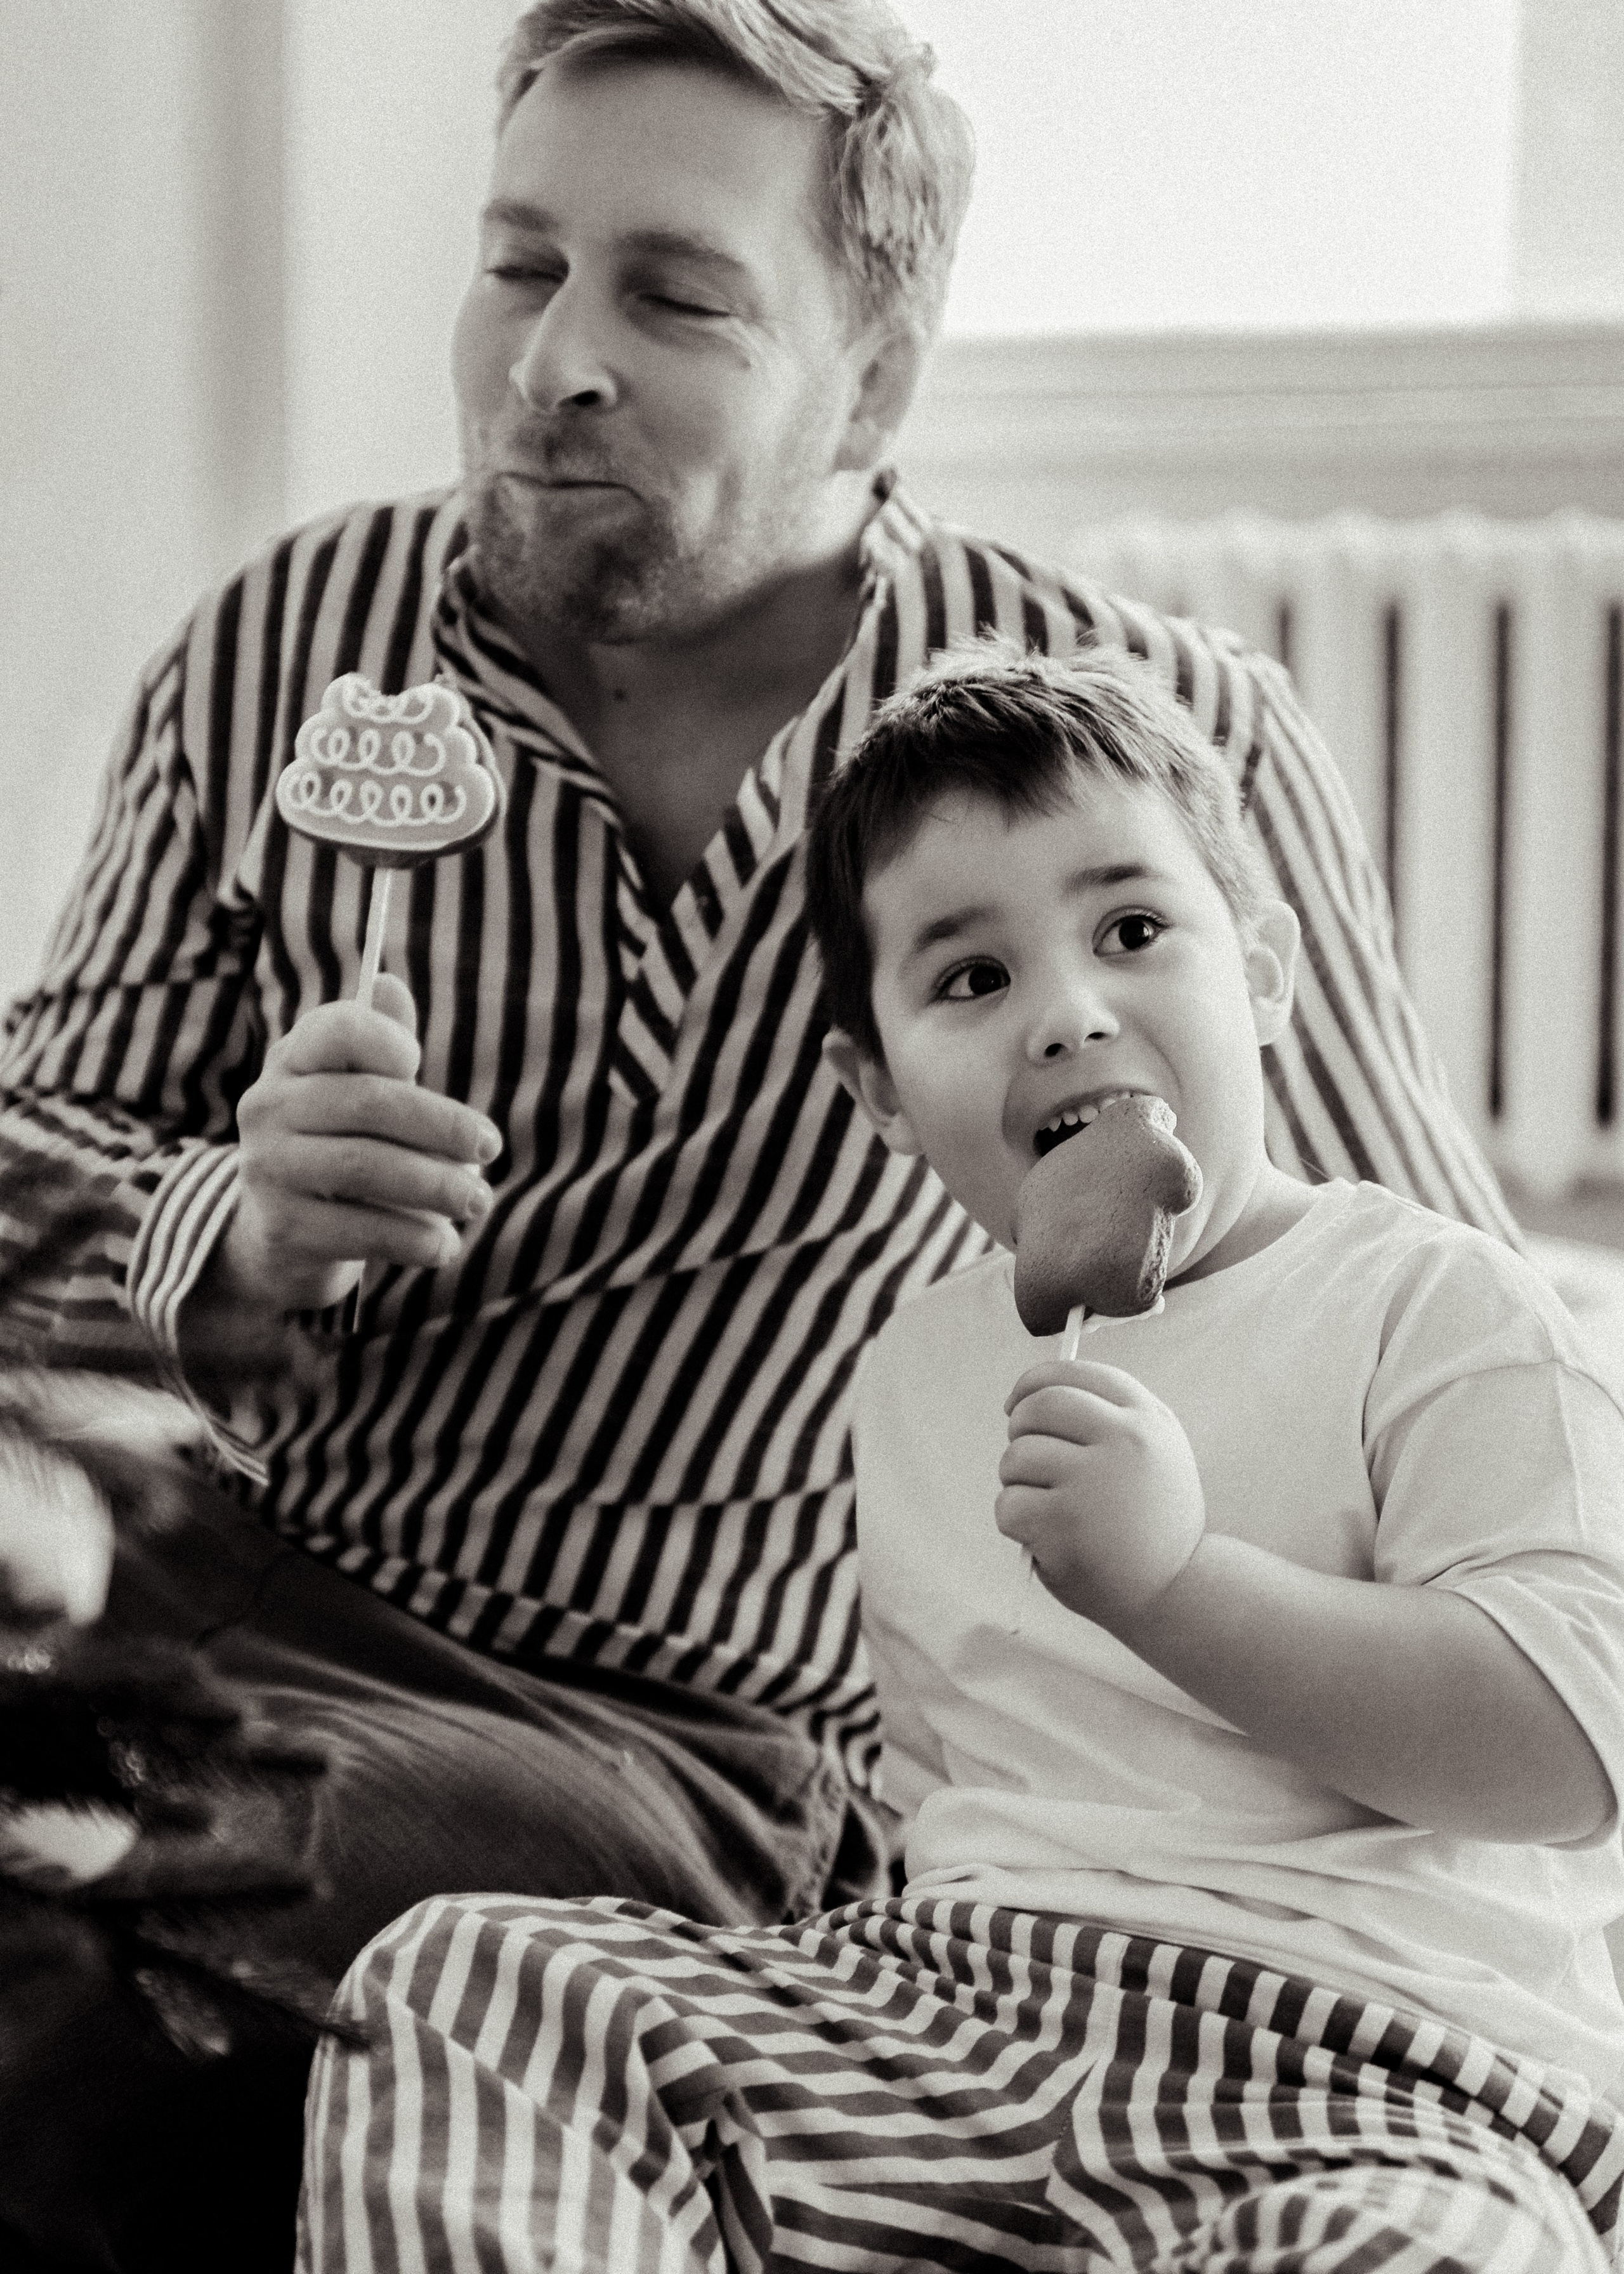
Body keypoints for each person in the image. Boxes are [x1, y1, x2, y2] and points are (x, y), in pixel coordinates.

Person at [0, 0, 1522, 2264]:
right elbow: (35, 1180)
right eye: (519, 267)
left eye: (676, 298)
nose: (553, 365)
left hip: (681, 1735)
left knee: (102, 1934)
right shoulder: (280, 655)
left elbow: (1439, 1341)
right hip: (208, 1577)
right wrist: (229, 1228)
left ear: (876, 381)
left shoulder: (1141, 758)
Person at [300, 642, 1624, 2273]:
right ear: (874, 1088)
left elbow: (1560, 1758)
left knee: (1428, 2251)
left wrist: (1174, 1585)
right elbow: (939, 1778)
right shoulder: (917, 1368)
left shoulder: (1431, 1303)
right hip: (958, 2019)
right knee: (472, 1979)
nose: (1065, 1016)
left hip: (1365, 2066)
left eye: (1130, 932)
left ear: (1266, 973)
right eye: (970, 978)